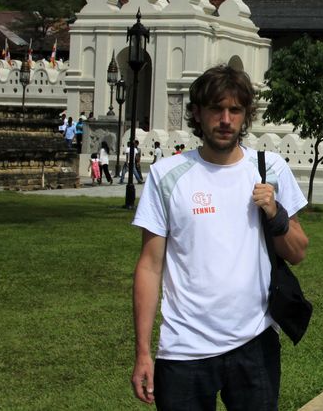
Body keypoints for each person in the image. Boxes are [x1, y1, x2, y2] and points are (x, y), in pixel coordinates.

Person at [131, 65, 309, 409]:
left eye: (235, 110)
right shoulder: (168, 175)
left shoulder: (269, 169)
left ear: (246, 116)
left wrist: (276, 214)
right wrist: (142, 352)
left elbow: (298, 251)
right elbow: (150, 267)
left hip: (254, 343)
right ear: (197, 113)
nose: (225, 119)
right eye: (216, 108)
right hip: (183, 349)